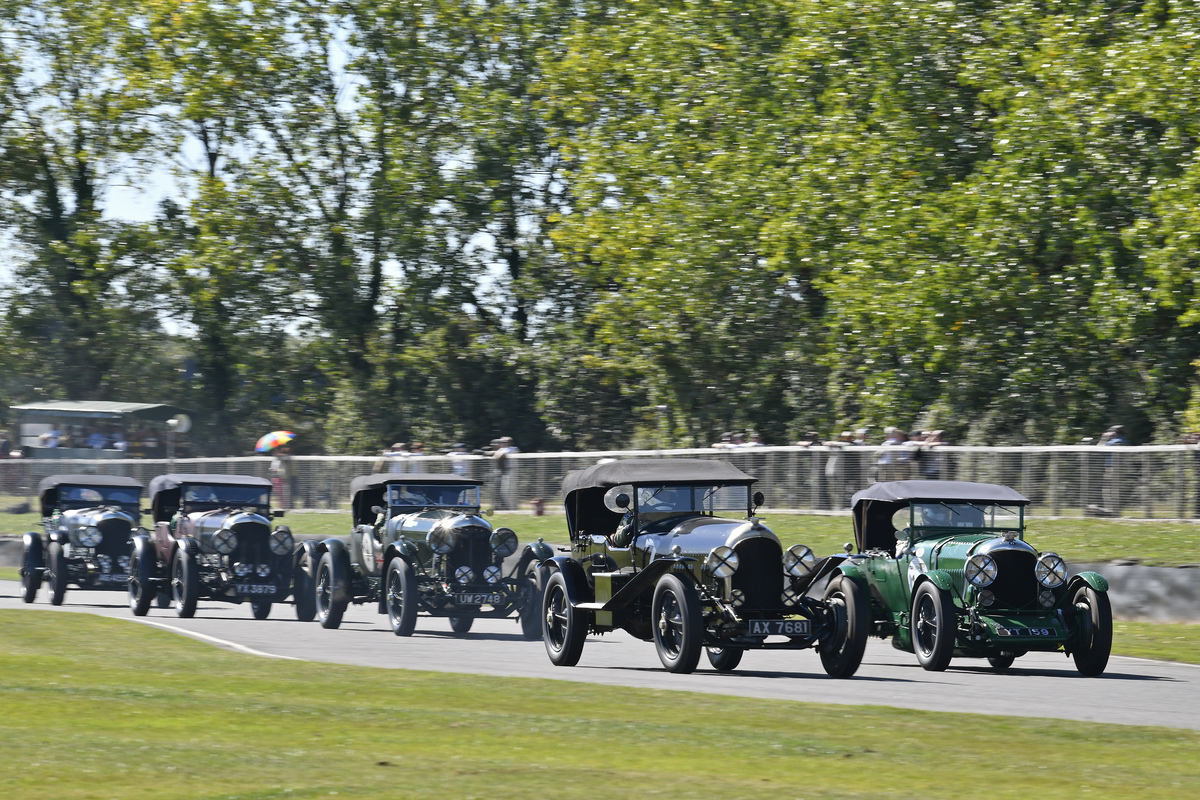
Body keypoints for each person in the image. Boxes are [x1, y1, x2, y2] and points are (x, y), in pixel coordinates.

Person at [493, 436, 520, 509]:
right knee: (503, 491)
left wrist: (496, 454)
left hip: (512, 470)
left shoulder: (514, 449)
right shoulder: (501, 449)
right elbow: (496, 455)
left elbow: (501, 455)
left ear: (510, 443)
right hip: (504, 471)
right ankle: (508, 507)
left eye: (504, 442)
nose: (502, 444)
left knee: (509, 491)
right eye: (501, 442)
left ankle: (513, 508)